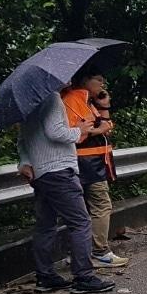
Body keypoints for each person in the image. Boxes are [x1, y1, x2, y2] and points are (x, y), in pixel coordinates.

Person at [17, 90, 116, 294]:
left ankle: (45, 276)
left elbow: (23, 138)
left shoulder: (30, 100)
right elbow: (56, 132)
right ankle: (84, 277)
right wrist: (79, 130)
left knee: (45, 225)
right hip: (59, 170)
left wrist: (25, 161)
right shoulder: (52, 97)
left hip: (41, 172)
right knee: (80, 222)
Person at [61, 72, 128, 268]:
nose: (102, 83)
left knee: (84, 210)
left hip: (96, 162)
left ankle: (79, 253)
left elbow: (105, 126)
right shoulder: (74, 99)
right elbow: (78, 133)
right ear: (85, 81)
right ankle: (99, 251)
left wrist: (104, 106)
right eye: (98, 80)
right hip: (87, 164)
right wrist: (97, 130)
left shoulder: (87, 100)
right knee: (100, 206)